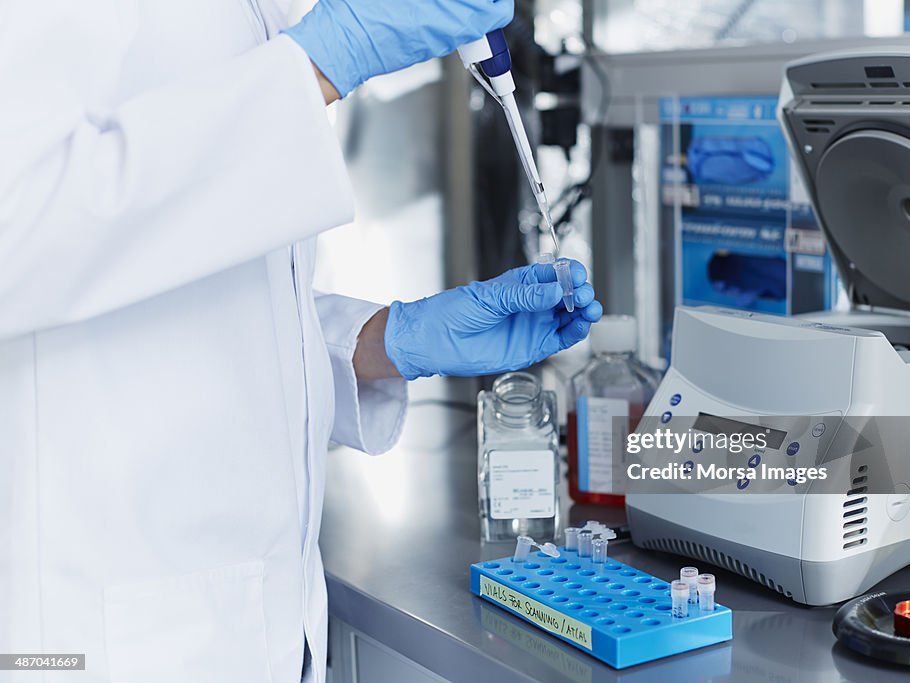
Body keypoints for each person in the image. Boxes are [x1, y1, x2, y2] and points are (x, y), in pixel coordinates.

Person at [0, 1, 602, 682]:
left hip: (248, 623)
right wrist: (316, 65)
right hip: (94, 637)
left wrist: (386, 341)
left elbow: (208, 297)